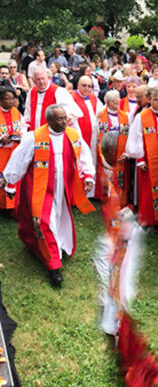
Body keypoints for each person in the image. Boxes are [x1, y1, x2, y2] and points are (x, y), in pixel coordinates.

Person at [1, 105, 94, 287]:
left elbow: (84, 155)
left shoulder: (72, 135)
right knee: (44, 222)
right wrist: (8, 179)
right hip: (40, 188)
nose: (64, 122)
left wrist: (88, 175)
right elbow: (19, 160)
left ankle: (57, 246)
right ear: (49, 120)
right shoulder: (34, 138)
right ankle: (53, 267)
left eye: (65, 118)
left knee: (59, 218)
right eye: (59, 119)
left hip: (63, 187)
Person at [126, 87, 158, 227]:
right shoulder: (141, 116)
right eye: (155, 99)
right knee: (149, 189)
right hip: (148, 158)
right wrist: (140, 159)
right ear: (149, 100)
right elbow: (135, 138)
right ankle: (150, 219)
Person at [97, 90, 130, 205]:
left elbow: (129, 136)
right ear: (108, 102)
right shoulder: (100, 115)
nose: (117, 102)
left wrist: (126, 152)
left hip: (120, 150)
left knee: (119, 176)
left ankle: (118, 198)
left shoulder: (125, 116)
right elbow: (96, 133)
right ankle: (107, 199)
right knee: (107, 174)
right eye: (114, 101)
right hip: (106, 151)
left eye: (118, 100)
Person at [72, 75, 104, 194]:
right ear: (78, 85)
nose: (86, 88)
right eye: (84, 85)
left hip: (93, 137)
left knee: (92, 160)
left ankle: (91, 191)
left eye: (89, 86)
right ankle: (78, 192)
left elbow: (101, 112)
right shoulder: (72, 97)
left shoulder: (94, 98)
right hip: (79, 136)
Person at [0, 87, 25, 212]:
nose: (10, 101)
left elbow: (23, 127)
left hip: (14, 151)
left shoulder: (16, 112)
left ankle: (11, 205)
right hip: (1, 152)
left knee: (12, 176)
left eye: (12, 98)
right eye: (7, 99)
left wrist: (20, 136)